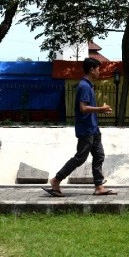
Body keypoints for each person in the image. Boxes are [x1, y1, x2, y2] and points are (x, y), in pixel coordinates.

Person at [42, 57, 116, 197]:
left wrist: (100, 111)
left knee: (99, 155)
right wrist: (101, 109)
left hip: (93, 128)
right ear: (92, 69)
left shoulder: (88, 85)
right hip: (86, 129)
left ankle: (99, 186)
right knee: (80, 158)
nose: (99, 72)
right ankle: (56, 180)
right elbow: (83, 108)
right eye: (98, 69)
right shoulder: (84, 86)